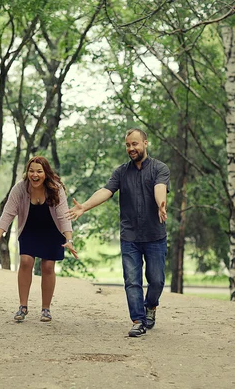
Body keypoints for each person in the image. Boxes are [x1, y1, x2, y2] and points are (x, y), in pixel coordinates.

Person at [66, 128, 169, 337]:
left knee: (156, 280)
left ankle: (151, 306)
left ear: (145, 144)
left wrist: (161, 204)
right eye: (128, 145)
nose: (131, 148)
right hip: (129, 236)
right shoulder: (121, 172)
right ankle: (138, 320)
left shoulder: (160, 168)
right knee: (132, 280)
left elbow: (160, 187)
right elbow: (106, 191)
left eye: (135, 144)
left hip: (154, 235)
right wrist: (84, 206)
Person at [0, 156, 78, 323]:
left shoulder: (56, 189)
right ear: (27, 173)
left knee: (48, 266)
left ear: (46, 173)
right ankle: (23, 306)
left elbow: (64, 216)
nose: (35, 175)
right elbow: (8, 213)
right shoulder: (20, 189)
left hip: (52, 230)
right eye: (31, 171)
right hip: (30, 228)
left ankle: (46, 309)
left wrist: (69, 239)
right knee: (26, 261)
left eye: (39, 171)